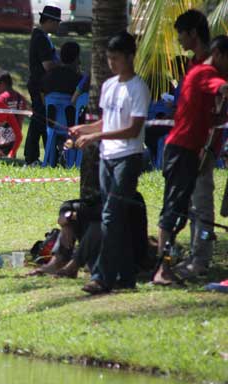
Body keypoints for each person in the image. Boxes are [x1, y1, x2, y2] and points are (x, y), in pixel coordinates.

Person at [69, 32, 151, 294]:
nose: (112, 63)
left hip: (127, 158)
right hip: (107, 157)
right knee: (116, 218)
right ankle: (126, 277)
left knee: (110, 216)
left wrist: (96, 135)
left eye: (116, 59)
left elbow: (132, 129)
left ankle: (102, 276)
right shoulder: (109, 86)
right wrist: (84, 129)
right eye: (109, 59)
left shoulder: (139, 88)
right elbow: (108, 122)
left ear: (130, 57)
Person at [154, 35, 228, 285]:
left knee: (196, 207)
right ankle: (191, 260)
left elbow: (212, 116)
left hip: (201, 151)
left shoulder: (201, 74)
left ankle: (196, 258)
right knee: (191, 208)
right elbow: (221, 88)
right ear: (218, 55)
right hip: (188, 151)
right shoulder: (206, 74)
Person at [171, 10, 216, 280]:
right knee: (189, 203)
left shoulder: (213, 65)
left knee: (202, 203)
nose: (178, 39)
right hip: (186, 142)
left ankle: (202, 259)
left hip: (203, 143)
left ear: (193, 34)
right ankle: (194, 255)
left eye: (181, 34)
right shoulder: (193, 64)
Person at [24, 5, 61, 166]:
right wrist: (62, 66)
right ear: (50, 21)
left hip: (40, 86)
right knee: (38, 120)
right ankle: (31, 157)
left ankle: (46, 155)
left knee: (41, 120)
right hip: (40, 87)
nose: (58, 25)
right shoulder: (41, 38)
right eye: (57, 22)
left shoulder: (42, 36)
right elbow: (47, 65)